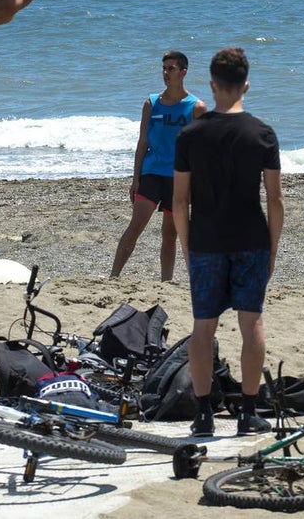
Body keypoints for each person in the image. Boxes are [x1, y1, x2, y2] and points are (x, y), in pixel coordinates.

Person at [173, 47, 284, 437]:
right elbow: (275, 199)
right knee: (250, 321)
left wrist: (187, 247)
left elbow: (180, 200)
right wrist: (272, 247)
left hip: (205, 239)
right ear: (246, 85)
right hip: (251, 238)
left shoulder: (191, 135)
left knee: (204, 327)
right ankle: (248, 412)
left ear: (212, 85)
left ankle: (203, 414)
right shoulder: (262, 134)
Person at [110, 51, 206, 281]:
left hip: (179, 179)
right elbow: (142, 143)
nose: (166, 73)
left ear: (183, 72)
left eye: (171, 68)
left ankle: (166, 281)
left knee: (169, 234)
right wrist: (136, 179)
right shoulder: (151, 103)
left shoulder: (197, 107)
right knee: (136, 225)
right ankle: (113, 277)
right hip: (151, 173)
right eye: (164, 68)